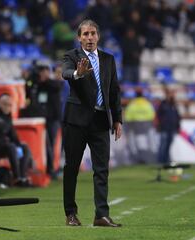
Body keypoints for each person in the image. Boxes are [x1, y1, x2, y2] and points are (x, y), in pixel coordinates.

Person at [61, 19, 122, 227]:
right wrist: (78, 74)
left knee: (102, 169)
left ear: (98, 36)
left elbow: (114, 91)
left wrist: (118, 119)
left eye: (93, 33)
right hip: (76, 122)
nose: (89, 38)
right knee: (71, 168)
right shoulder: (71, 56)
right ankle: (70, 214)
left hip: (100, 121)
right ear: (79, 37)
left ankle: (101, 215)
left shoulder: (108, 59)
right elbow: (65, 73)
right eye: (85, 34)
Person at [156, 87, 181, 164]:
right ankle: (160, 161)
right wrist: (159, 126)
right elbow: (158, 116)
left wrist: (178, 127)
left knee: (168, 145)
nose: (172, 95)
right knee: (163, 145)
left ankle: (166, 160)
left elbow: (177, 117)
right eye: (170, 94)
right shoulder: (163, 104)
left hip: (172, 128)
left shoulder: (174, 105)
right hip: (164, 128)